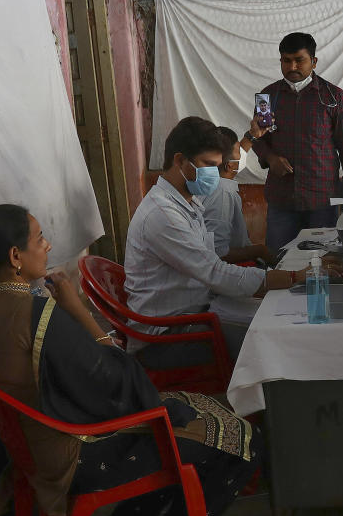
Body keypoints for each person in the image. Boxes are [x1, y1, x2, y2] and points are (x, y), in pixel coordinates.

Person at [0, 204, 262, 516]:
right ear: (14, 257)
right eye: (39, 238)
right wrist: (78, 311)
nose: (47, 246)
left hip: (30, 446)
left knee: (188, 409)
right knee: (240, 441)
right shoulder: (37, 314)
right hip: (73, 454)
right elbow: (119, 384)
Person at [126, 116, 332, 371]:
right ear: (180, 161)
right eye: (208, 165)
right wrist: (293, 277)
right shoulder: (163, 215)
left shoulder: (188, 202)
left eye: (218, 165)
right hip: (168, 338)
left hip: (196, 312)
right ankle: (266, 406)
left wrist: (281, 280)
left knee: (277, 318)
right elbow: (216, 272)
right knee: (280, 340)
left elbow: (212, 266)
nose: (215, 173)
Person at [250, 32, 343, 252]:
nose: (292, 66)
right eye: (286, 60)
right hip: (281, 201)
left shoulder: (333, 97)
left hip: (322, 201)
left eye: (299, 60)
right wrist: (271, 158)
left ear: (314, 61)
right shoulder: (268, 97)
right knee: (278, 262)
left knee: (324, 262)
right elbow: (258, 139)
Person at [201, 126, 274, 264]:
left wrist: (253, 135)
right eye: (238, 154)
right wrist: (259, 251)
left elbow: (233, 161)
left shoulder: (210, 178)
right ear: (229, 166)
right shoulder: (222, 194)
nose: (241, 157)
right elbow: (219, 253)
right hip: (231, 270)